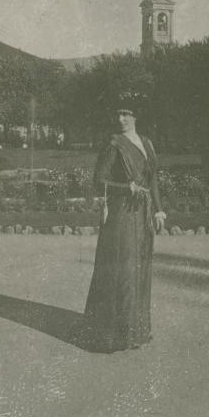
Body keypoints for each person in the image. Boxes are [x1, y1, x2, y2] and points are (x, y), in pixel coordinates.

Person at [84, 93, 167, 353]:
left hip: (143, 215)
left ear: (135, 116)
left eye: (126, 114)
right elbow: (98, 180)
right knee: (123, 270)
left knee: (139, 270)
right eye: (117, 114)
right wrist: (124, 187)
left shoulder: (146, 143)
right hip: (121, 215)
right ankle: (111, 335)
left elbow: (152, 178)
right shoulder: (114, 144)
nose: (120, 119)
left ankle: (136, 331)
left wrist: (159, 210)